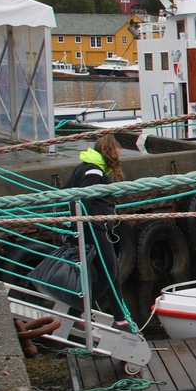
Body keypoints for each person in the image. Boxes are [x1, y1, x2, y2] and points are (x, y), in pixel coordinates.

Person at [65, 133, 131, 330]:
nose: (117, 161)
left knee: (112, 272)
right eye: (117, 156)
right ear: (109, 153)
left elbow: (68, 191)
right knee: (110, 272)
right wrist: (78, 227)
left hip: (92, 228)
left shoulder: (85, 167)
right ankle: (75, 312)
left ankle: (120, 318)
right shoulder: (93, 172)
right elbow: (84, 200)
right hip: (93, 229)